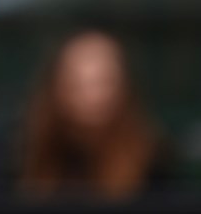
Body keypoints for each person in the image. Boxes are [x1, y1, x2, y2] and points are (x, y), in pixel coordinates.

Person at [15, 30, 166, 202]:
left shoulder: (154, 162)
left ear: (124, 86)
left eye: (103, 81)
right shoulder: (23, 155)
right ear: (56, 86)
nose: (92, 96)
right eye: (78, 83)